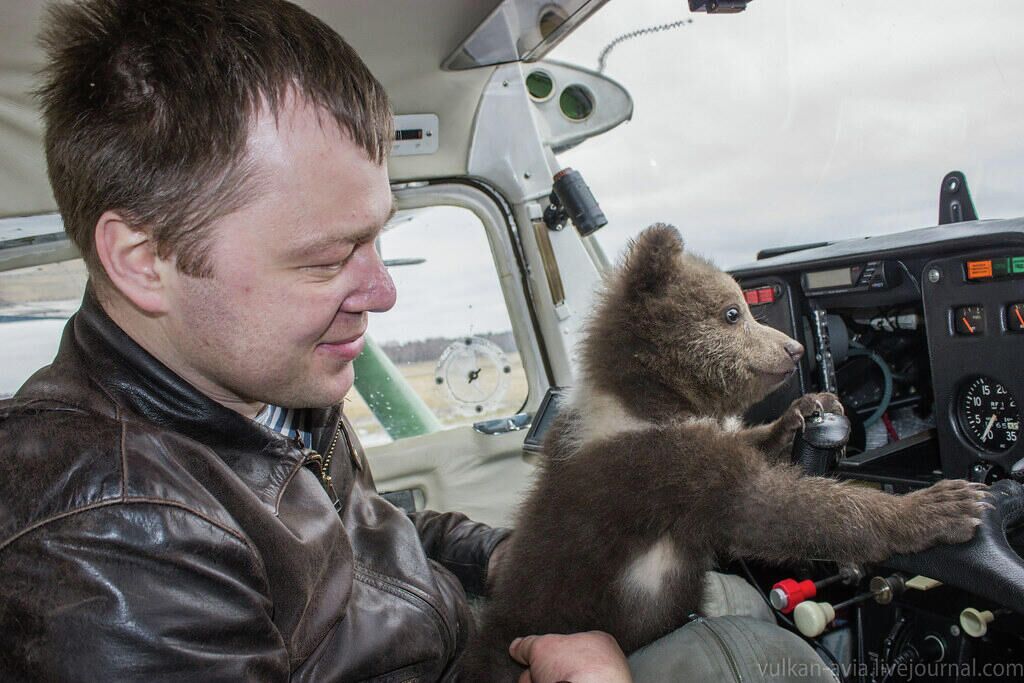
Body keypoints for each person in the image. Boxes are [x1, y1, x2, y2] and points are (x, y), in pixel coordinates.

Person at [0, 1, 838, 681]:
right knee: (769, 657)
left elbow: (374, 533)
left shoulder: (249, 390)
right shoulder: (109, 548)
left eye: (376, 240)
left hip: (462, 637)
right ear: (144, 261)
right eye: (329, 257)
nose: (383, 291)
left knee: (728, 600)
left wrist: (510, 554)